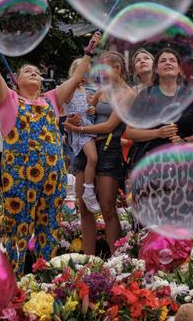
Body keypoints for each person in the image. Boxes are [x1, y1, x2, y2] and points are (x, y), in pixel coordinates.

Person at [0, 20, 98, 272]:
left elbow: (78, 75)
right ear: (16, 81)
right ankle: (13, 280)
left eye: (37, 71)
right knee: (18, 229)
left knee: (50, 229)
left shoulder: (51, 100)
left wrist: (89, 51)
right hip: (19, 177)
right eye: (27, 71)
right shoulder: (10, 100)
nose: (34, 73)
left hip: (52, 176)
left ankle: (45, 279)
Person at [67, 51, 135, 255]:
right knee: (84, 207)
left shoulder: (128, 94)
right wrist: (77, 119)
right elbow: (88, 112)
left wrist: (80, 130)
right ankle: (89, 258)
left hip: (108, 148)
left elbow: (109, 126)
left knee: (107, 206)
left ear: (117, 68)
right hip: (86, 149)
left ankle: (117, 258)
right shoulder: (101, 90)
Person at [126, 49, 193, 157]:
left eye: (172, 60)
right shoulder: (145, 96)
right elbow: (130, 132)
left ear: (179, 68)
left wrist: (185, 141)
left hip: (186, 161)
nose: (168, 62)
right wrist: (157, 133)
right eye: (163, 61)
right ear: (156, 69)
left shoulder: (191, 96)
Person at [64, 59, 100, 214]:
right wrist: (74, 81)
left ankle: (89, 189)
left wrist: (92, 108)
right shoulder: (69, 88)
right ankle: (88, 191)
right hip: (79, 128)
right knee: (93, 158)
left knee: (91, 159)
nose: (85, 74)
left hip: (87, 125)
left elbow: (89, 107)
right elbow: (66, 100)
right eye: (82, 70)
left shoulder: (85, 90)